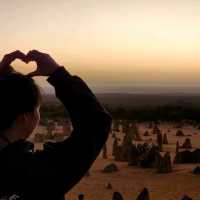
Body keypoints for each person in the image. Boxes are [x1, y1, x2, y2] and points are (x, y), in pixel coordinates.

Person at [0, 50, 112, 200]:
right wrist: (58, 74)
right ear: (24, 118)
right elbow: (97, 123)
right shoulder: (35, 172)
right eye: (37, 109)